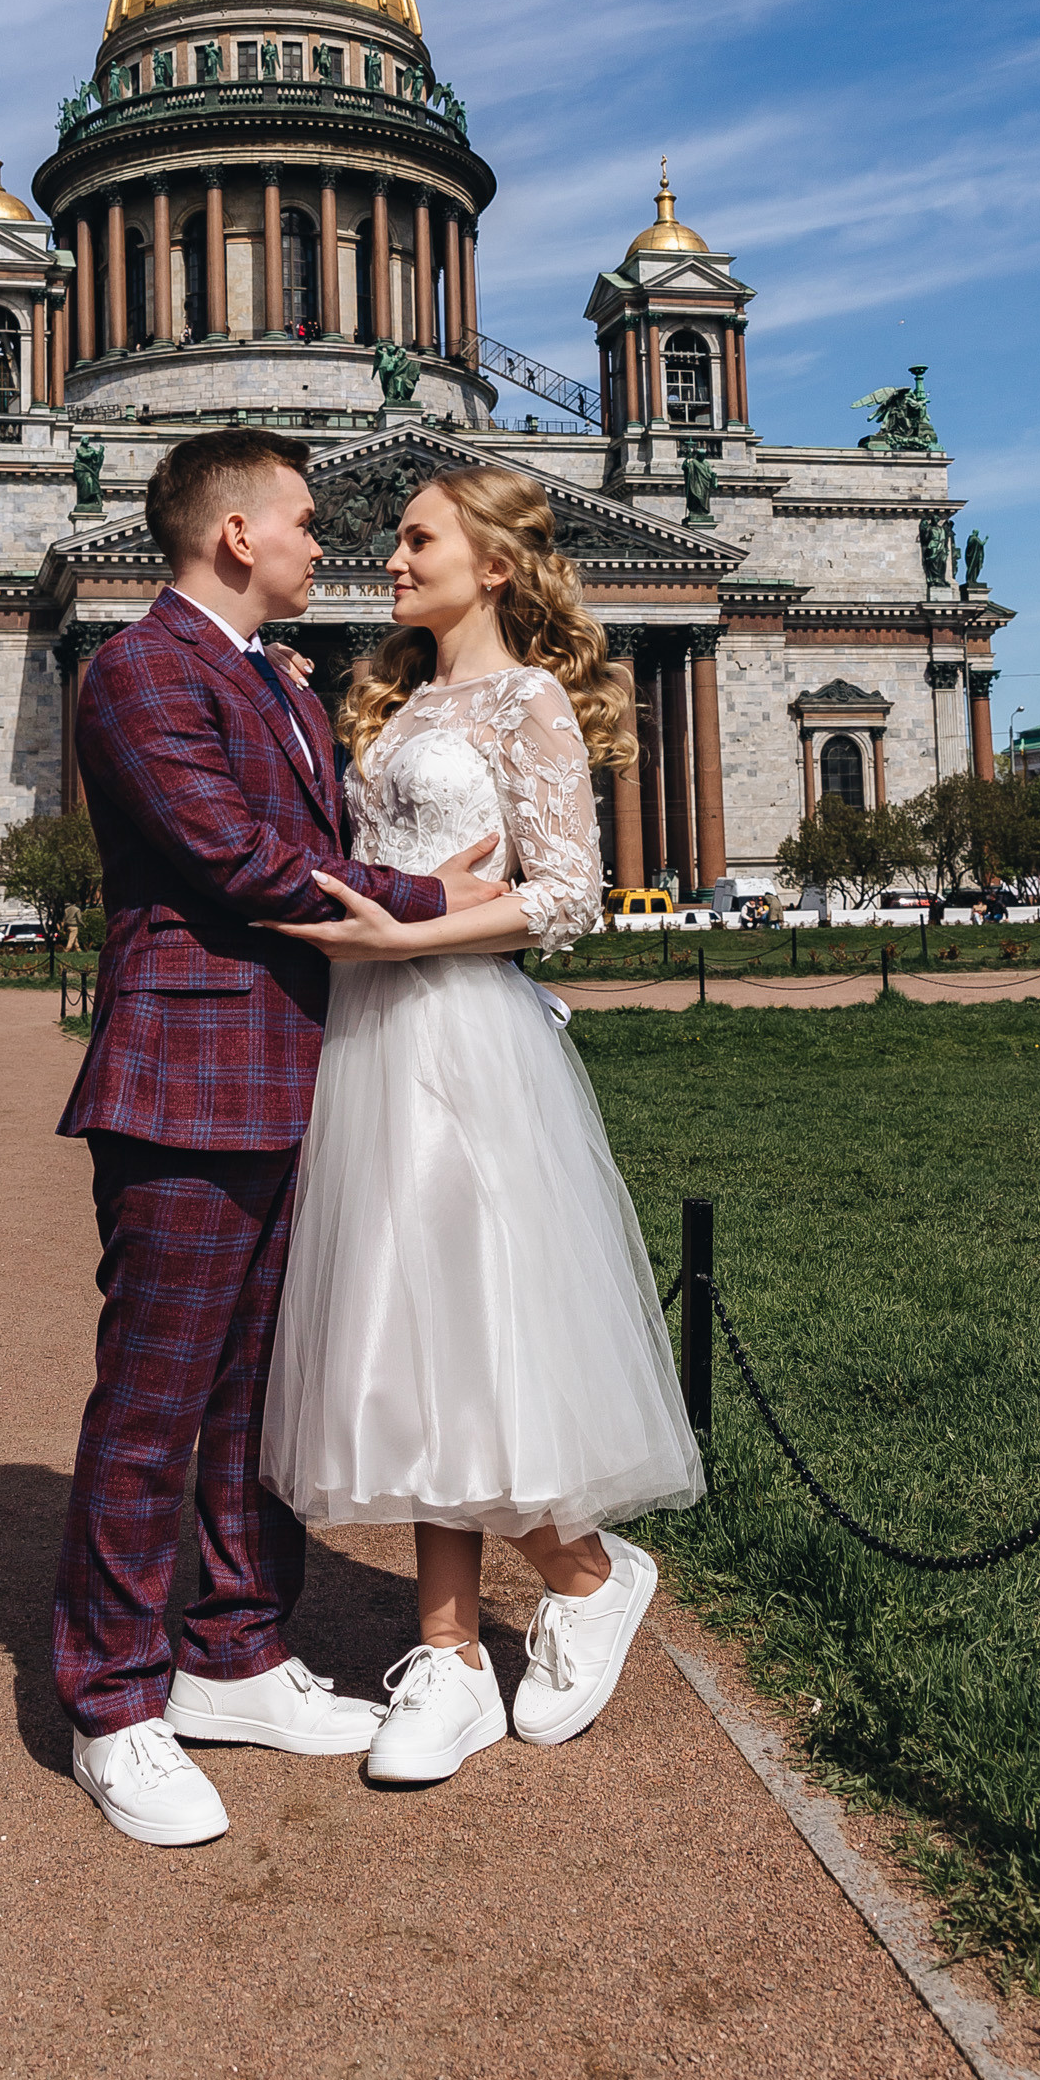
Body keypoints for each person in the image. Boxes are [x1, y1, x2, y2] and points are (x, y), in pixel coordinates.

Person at [52, 429, 508, 1849]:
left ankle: (238, 1652)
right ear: (239, 535)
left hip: (309, 1074)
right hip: (189, 1078)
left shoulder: (272, 680)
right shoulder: (139, 672)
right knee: (154, 1409)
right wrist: (434, 902)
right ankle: (115, 1706)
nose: (334, 545)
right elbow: (242, 863)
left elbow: (289, 816)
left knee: (263, 1401)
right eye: (309, 523)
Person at [262, 467, 704, 1783]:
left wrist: (406, 932)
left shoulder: (529, 701)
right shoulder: (389, 706)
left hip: (460, 1033)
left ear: (494, 567)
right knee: (413, 1341)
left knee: (467, 1322)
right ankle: (447, 1653)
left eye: (414, 540)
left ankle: (583, 1570)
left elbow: (565, 896)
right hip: (375, 1039)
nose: (386, 559)